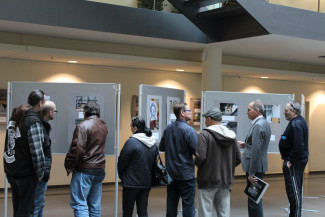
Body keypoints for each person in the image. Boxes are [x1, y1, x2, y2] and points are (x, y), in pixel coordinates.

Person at [4, 89, 46, 217]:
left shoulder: (15, 116)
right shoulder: (33, 121)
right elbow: (37, 152)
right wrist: (40, 174)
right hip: (26, 174)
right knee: (26, 210)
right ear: (40, 103)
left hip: (12, 171)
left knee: (18, 208)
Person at [64, 101, 108, 217]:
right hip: (99, 169)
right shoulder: (103, 125)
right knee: (94, 206)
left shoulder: (82, 126)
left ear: (85, 113)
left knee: (80, 204)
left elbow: (77, 150)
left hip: (84, 170)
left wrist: (69, 165)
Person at [195, 108, 241, 217]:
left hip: (207, 180)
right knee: (224, 213)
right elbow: (238, 158)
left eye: (206, 119)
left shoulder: (204, 134)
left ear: (210, 119)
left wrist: (197, 163)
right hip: (226, 181)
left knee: (205, 212)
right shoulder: (231, 136)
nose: (205, 121)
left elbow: (200, 157)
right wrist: (227, 168)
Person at [159, 103, 198, 217]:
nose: (191, 112)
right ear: (182, 113)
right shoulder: (190, 131)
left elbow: (161, 147)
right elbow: (198, 152)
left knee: (171, 203)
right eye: (189, 110)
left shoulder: (168, 129)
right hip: (186, 175)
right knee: (188, 205)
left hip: (171, 174)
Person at [118, 116, 157, 217]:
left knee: (127, 212)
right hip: (146, 182)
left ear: (135, 128)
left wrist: (122, 175)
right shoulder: (152, 142)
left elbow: (122, 161)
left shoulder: (132, 142)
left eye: (131, 126)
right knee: (143, 211)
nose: (130, 128)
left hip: (131, 183)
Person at [238, 99, 271, 217]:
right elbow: (257, 146)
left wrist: (251, 173)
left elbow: (256, 151)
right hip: (258, 167)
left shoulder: (258, 125)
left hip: (255, 169)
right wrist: (246, 145)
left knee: (254, 199)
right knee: (255, 198)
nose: (247, 112)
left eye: (249, 110)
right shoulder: (263, 123)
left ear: (257, 111)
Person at [279, 100, 308, 217]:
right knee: (294, 192)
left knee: (294, 193)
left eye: (286, 111)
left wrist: (290, 160)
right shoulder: (297, 121)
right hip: (295, 161)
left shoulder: (296, 124)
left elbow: (298, 145)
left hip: (294, 163)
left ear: (294, 111)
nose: (284, 113)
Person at [33, 101, 57, 217]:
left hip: (41, 172)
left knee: (39, 203)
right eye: (55, 111)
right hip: (40, 174)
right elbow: (39, 152)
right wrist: (43, 173)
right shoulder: (40, 127)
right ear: (50, 112)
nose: (55, 114)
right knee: (36, 205)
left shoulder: (42, 126)